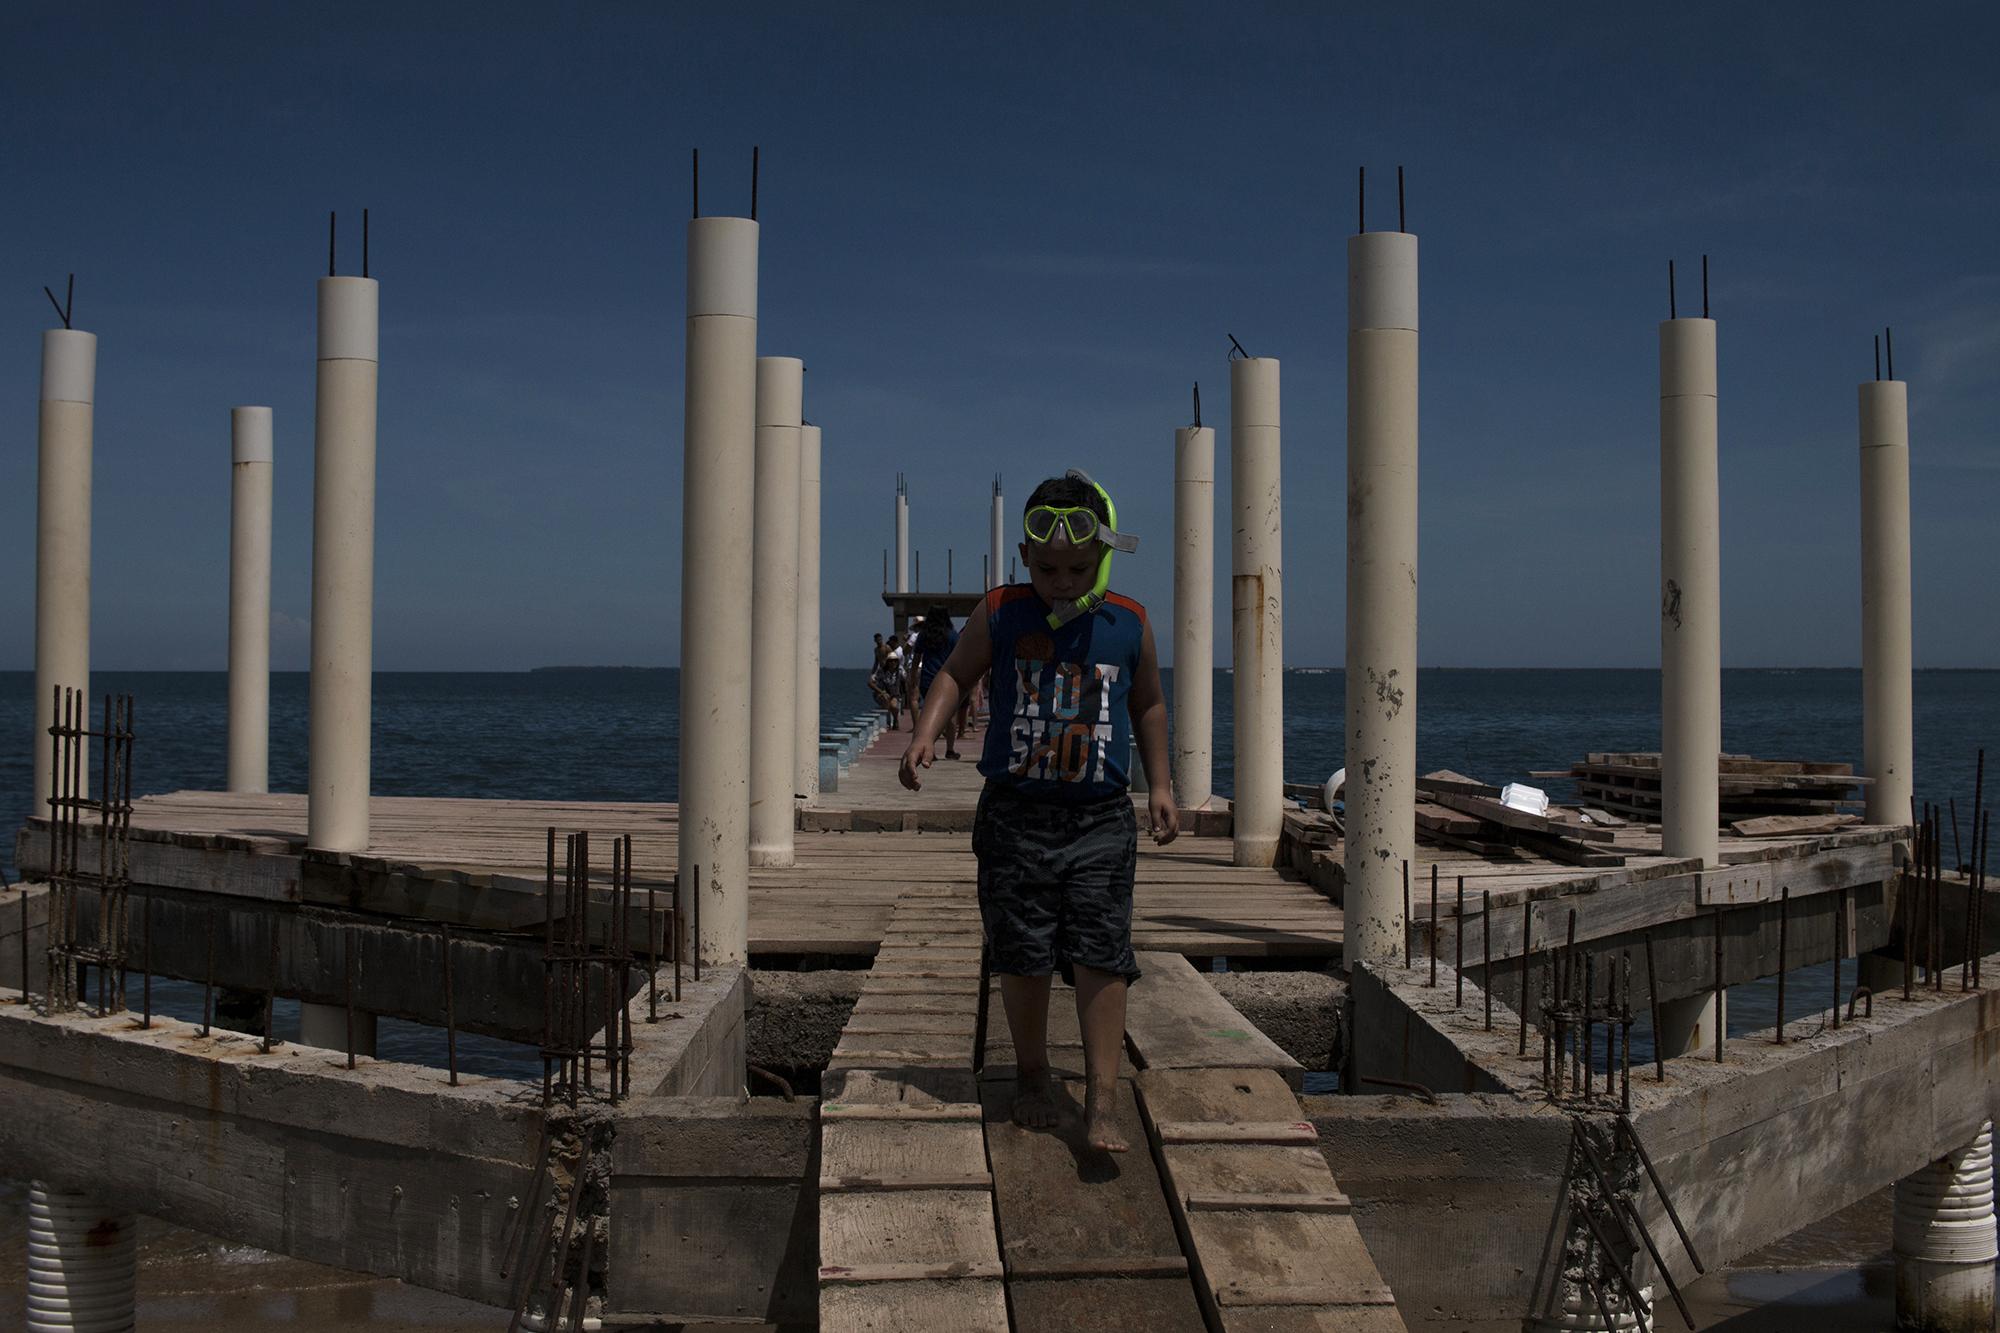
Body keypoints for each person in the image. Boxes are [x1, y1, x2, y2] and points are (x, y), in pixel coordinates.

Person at [899, 472, 1177, 1153]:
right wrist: (924, 733)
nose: (1061, 579)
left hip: (1100, 817)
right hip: (1015, 816)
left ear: (1103, 554)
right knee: (1021, 952)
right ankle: (1031, 1074)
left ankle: (1103, 1098)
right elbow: (955, 674)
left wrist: (1163, 785)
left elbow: (1148, 705)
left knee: (1101, 954)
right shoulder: (1000, 611)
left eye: (1078, 568)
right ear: (1025, 555)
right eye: (1047, 566)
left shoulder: (1129, 623)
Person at [913, 606, 962, 758]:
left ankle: (929, 750)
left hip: (927, 679)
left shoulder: (923, 636)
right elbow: (959, 659)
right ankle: (950, 750)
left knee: (929, 714)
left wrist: (912, 679)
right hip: (947, 680)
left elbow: (916, 660)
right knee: (951, 717)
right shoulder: (953, 636)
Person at [868, 632, 906, 728]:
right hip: (883, 675)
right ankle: (888, 722)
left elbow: (894, 657)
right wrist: (873, 673)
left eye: (880, 639)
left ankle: (895, 719)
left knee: (893, 704)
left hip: (893, 690)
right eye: (877, 639)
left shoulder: (887, 648)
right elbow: (876, 662)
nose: (879, 641)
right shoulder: (876, 650)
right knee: (885, 699)